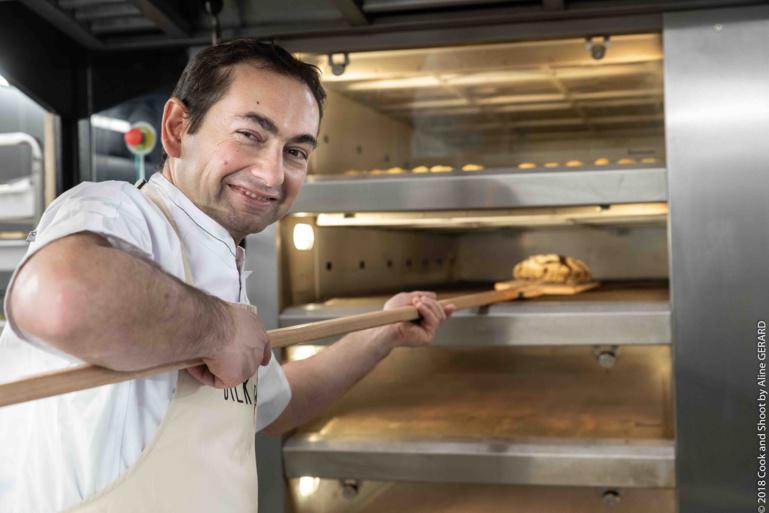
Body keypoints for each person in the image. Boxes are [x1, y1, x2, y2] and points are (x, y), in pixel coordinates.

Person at [0, 39, 454, 513]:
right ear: (177, 128)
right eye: (251, 135)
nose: (273, 173)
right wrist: (217, 327)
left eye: (296, 151)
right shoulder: (120, 212)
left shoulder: (222, 265)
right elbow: (60, 297)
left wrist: (382, 334)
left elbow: (278, 403)